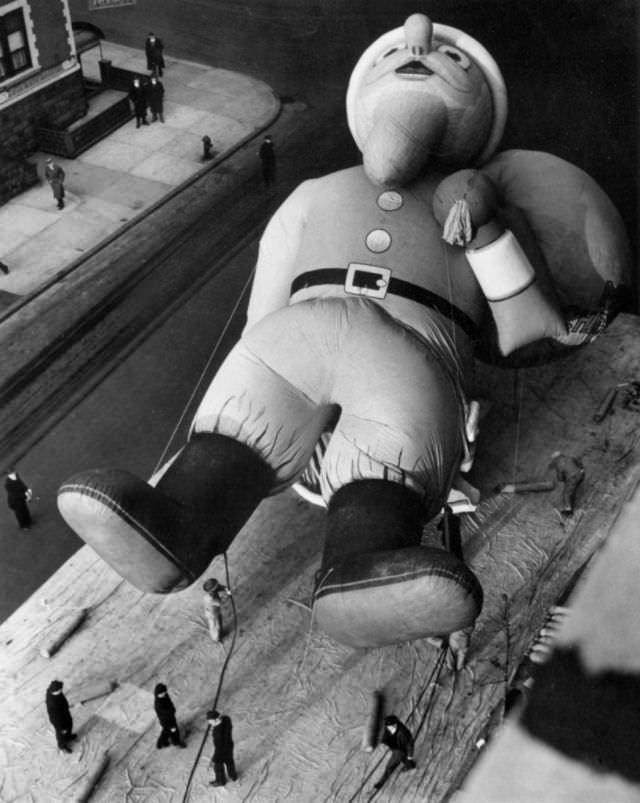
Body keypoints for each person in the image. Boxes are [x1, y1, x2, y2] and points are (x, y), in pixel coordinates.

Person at [373, 715, 416, 790]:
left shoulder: (403, 733)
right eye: (387, 726)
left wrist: (410, 757)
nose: (388, 728)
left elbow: (410, 744)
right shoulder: (389, 728)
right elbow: (385, 735)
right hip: (395, 747)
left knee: (389, 766)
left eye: (389, 726)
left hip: (399, 750)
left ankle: (381, 783)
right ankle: (410, 765)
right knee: (404, 759)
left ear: (394, 724)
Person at [207, 710, 237, 786]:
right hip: (229, 746)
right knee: (229, 760)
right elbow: (225, 717)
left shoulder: (218, 733)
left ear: (216, 720)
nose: (210, 723)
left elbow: (218, 749)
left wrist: (214, 760)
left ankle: (220, 781)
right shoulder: (226, 720)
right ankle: (233, 775)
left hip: (221, 750)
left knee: (218, 765)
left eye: (211, 721)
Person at [46, 680, 76, 753]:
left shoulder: (55, 692)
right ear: (55, 691)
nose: (61, 691)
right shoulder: (52, 703)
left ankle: (68, 737)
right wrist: (61, 727)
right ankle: (62, 746)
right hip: (59, 720)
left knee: (69, 725)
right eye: (60, 690)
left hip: (65, 713)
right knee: (61, 733)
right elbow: (56, 718)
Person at [154, 683, 186, 748]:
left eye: (164, 692)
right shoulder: (159, 704)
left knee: (166, 731)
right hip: (167, 721)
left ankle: (161, 742)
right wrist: (171, 726)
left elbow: (170, 703)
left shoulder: (165, 696)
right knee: (174, 731)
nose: (164, 694)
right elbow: (164, 717)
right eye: (162, 693)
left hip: (170, 717)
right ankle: (176, 742)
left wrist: (173, 709)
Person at [202, 578, 231, 643]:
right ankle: (216, 638)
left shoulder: (212, 591)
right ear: (212, 590)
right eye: (216, 586)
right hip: (212, 615)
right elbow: (221, 602)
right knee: (215, 627)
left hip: (216, 612)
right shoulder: (210, 599)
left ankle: (221, 632)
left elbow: (220, 587)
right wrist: (228, 594)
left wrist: (225, 588)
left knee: (219, 624)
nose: (218, 586)